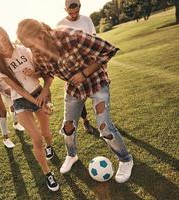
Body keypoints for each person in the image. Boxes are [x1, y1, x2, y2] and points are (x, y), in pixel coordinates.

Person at [17, 19, 134, 183]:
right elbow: (46, 73)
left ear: (42, 34)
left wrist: (84, 73)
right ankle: (72, 155)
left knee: (104, 126)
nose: (33, 50)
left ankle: (125, 159)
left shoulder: (70, 36)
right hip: (74, 89)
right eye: (29, 47)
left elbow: (108, 50)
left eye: (33, 44)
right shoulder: (37, 51)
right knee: (68, 127)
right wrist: (36, 75)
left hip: (96, 82)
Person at [0, 25, 59, 191]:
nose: (3, 45)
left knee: (46, 134)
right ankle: (48, 174)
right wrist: (36, 101)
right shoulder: (0, 67)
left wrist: (38, 82)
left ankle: (50, 147)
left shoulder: (24, 50)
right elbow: (18, 90)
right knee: (36, 138)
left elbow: (46, 73)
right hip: (21, 101)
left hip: (39, 93)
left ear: (7, 36)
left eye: (3, 40)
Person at [57, 0, 96, 134]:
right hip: (73, 68)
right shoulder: (60, 25)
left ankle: (102, 119)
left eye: (76, 12)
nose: (74, 15)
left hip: (91, 64)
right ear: (65, 9)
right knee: (79, 96)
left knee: (98, 93)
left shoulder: (86, 20)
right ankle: (85, 120)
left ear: (80, 6)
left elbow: (94, 39)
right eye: (70, 12)